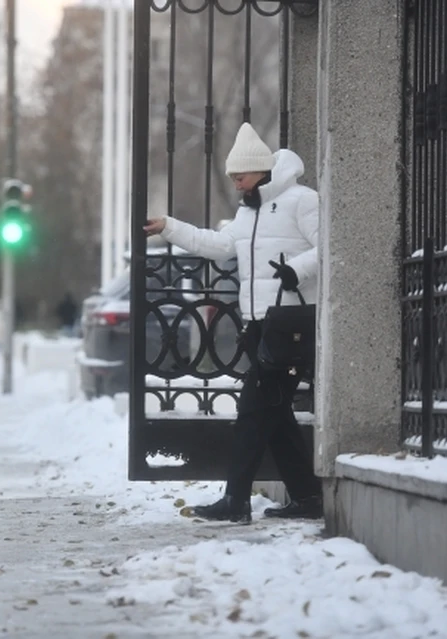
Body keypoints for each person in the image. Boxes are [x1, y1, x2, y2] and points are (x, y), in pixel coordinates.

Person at [143, 122, 322, 523]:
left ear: (260, 169)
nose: (236, 183)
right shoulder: (249, 212)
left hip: (291, 324)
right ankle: (309, 498)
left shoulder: (301, 201)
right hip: (260, 326)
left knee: (253, 414)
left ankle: (235, 501)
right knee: (274, 416)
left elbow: (331, 244)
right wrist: (170, 227)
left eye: (239, 175)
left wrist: (297, 270)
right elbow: (220, 246)